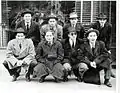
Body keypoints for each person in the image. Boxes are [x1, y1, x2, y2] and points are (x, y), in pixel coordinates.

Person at [90, 13, 115, 78]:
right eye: (100, 20)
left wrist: (108, 48)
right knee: (98, 55)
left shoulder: (109, 26)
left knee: (108, 55)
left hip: (104, 42)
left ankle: (110, 71)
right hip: (96, 42)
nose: (102, 21)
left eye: (103, 20)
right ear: (98, 20)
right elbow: (91, 35)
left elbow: (109, 37)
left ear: (106, 20)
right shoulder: (94, 25)